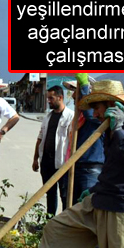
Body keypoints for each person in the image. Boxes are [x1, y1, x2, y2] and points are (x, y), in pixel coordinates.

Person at [36, 80, 124, 248]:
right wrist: (94, 189)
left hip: (123, 205)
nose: (95, 114)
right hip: (100, 199)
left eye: (97, 108)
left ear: (112, 105)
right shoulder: (107, 130)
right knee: (57, 229)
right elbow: (111, 170)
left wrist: (120, 130)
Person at [63, 74, 105, 205]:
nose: (75, 97)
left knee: (85, 208)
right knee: (70, 208)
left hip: (90, 171)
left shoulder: (97, 117)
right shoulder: (78, 119)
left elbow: (88, 112)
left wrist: (84, 86)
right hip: (75, 166)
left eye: (78, 94)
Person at [32, 85, 74, 215]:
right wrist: (35, 159)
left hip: (61, 163)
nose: (48, 101)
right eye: (48, 98)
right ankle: (49, 220)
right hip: (46, 162)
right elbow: (40, 138)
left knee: (64, 195)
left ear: (60, 98)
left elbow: (72, 142)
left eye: (51, 98)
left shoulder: (70, 116)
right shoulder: (47, 117)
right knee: (49, 193)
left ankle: (64, 222)